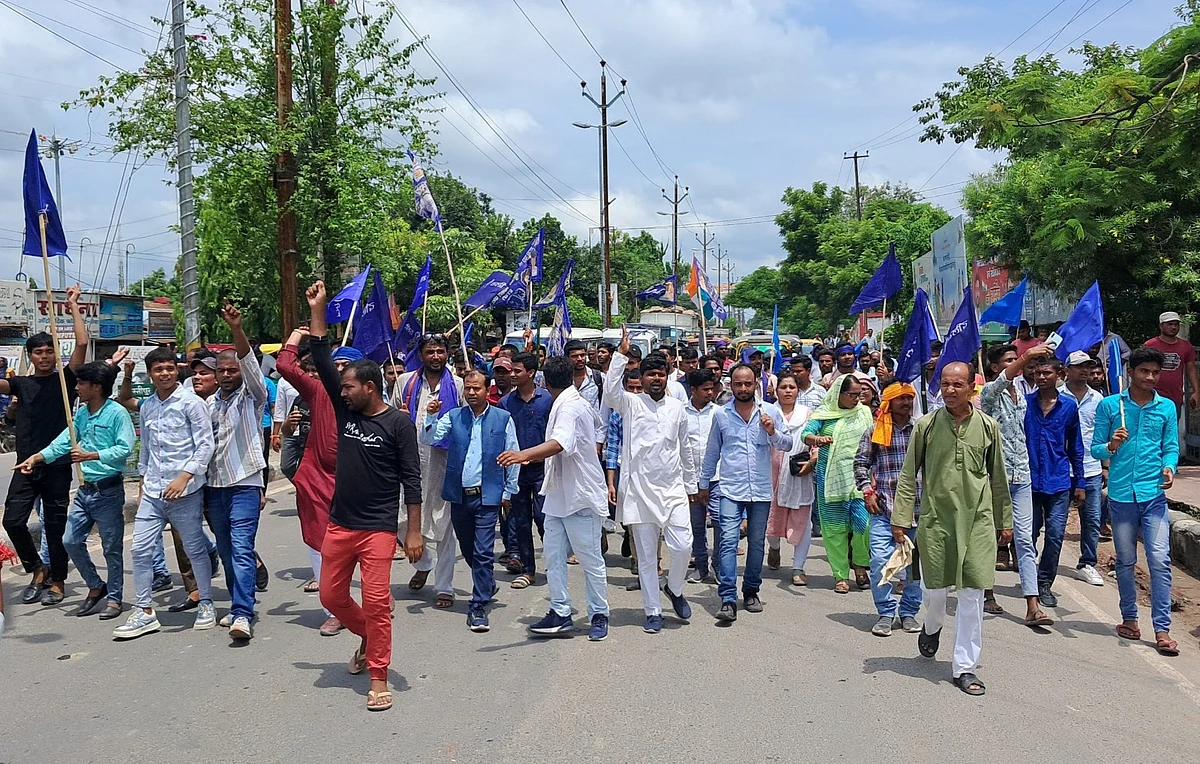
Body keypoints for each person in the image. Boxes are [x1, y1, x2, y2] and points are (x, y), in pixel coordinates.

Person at [305, 281, 424, 711]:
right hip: (340, 524)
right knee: (331, 597)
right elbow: (320, 357)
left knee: (376, 602)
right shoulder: (344, 411)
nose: (343, 392)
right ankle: (369, 636)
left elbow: (413, 480)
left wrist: (412, 533)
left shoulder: (398, 425)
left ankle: (378, 675)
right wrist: (318, 310)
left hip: (377, 529)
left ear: (370, 388)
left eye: (350, 387)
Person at [893, 362, 1014, 696]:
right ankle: (932, 628)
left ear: (971, 388)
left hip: (977, 522)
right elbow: (908, 474)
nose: (949, 391)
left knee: (972, 596)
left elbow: (999, 478)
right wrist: (901, 518)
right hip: (936, 523)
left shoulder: (988, 427)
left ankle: (964, 667)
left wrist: (1006, 521)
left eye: (956, 385)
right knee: (934, 594)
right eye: (944, 384)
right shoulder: (927, 426)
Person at [499, 356, 610, 642]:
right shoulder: (569, 403)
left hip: (580, 496)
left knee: (589, 559)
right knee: (553, 556)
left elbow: (560, 443)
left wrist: (522, 455)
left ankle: (599, 614)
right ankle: (560, 612)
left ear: (543, 382)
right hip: (559, 495)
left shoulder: (570, 407)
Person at [15, 362, 134, 619]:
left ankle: (114, 598)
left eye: (81, 383)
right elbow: (63, 442)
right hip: (83, 491)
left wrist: (92, 454)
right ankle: (95, 585)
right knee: (69, 541)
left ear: (97, 387)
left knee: (111, 547)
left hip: (108, 491)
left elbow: (125, 449)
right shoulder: (81, 413)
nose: (77, 387)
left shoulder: (116, 413)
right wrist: (37, 458)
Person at [114, 346, 218, 638]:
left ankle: (206, 603)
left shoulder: (191, 403)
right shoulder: (148, 406)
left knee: (193, 548)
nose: (165, 374)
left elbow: (205, 445)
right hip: (153, 492)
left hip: (186, 491)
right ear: (150, 374)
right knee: (139, 548)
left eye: (170, 368)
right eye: (159, 370)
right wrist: (142, 482)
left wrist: (185, 477)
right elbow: (145, 449)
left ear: (177, 370)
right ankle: (145, 611)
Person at [1, 286, 88, 606]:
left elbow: (81, 343)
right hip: (25, 464)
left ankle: (58, 581)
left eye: (49, 351)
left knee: (55, 525)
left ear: (55, 353)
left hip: (57, 463)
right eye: (38, 352)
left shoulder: (66, 381)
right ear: (30, 356)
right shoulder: (20, 384)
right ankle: (37, 568)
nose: (44, 356)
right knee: (12, 520)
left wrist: (74, 306)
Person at [1092, 347, 1181, 656]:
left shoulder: (1166, 407)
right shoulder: (1109, 406)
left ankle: (1162, 629)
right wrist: (1111, 444)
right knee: (1126, 561)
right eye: (1145, 371)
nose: (1150, 377)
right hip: (1120, 496)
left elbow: (1170, 446)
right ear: (1131, 372)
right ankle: (1129, 618)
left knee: (1159, 560)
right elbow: (1095, 450)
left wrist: (1170, 467)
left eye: (1155, 373)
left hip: (1154, 495)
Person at [605, 329, 694, 633]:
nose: (656, 378)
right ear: (641, 378)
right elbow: (610, 393)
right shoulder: (630, 404)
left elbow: (686, 449)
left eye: (661, 374)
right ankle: (653, 610)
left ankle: (676, 589)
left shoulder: (677, 408)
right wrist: (621, 354)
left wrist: (692, 485)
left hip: (673, 489)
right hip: (640, 492)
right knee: (645, 557)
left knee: (683, 546)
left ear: (668, 377)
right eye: (651, 374)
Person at [420, 370, 519, 632]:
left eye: (477, 388)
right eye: (468, 389)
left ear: (488, 390)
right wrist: (430, 415)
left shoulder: (503, 418)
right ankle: (485, 581)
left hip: (488, 496)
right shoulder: (454, 416)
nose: (472, 393)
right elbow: (429, 438)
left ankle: (478, 605)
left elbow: (513, 454)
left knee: (483, 551)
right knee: (467, 547)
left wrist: (509, 491)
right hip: (459, 496)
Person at [699, 364, 793, 622]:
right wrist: (703, 483)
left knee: (756, 544)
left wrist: (772, 431)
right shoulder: (721, 415)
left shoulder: (770, 411)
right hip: (730, 488)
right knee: (728, 542)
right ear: (731, 385)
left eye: (748, 384)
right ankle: (728, 598)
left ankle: (751, 591)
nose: (743, 388)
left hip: (761, 491)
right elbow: (712, 452)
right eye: (738, 384)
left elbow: (788, 443)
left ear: (755, 385)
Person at [206, 302, 270, 640]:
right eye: (223, 371)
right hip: (214, 488)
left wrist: (236, 329)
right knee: (227, 549)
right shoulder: (206, 404)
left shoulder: (252, 397)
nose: (228, 375)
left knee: (242, 547)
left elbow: (248, 365)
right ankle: (236, 604)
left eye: (233, 370)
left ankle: (243, 613)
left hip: (245, 483)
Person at [978, 342, 1055, 625]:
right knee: (989, 538)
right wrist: (1025, 356)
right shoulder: (989, 392)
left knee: (1024, 540)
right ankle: (987, 593)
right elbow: (1003, 380)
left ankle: (1032, 605)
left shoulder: (1023, 393)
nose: (1021, 364)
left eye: (1017, 358)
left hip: (1021, 476)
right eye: (1009, 360)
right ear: (996, 367)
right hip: (992, 477)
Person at [277, 328, 344, 636]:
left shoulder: (371, 403)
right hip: (316, 479)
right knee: (319, 545)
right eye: (334, 366)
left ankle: (375, 597)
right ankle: (332, 609)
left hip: (357, 484)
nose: (338, 373)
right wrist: (294, 337)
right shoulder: (317, 392)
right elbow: (286, 367)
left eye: (345, 367)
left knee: (363, 546)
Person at [398, 333, 464, 607]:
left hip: (445, 462)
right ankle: (423, 563)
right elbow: (391, 414)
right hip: (411, 461)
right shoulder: (405, 382)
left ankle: (444, 586)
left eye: (440, 351)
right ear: (421, 355)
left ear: (447, 354)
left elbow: (464, 418)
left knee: (445, 526)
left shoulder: (458, 384)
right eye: (430, 352)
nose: (435, 356)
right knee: (402, 521)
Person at [854, 381, 921, 636]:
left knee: (914, 568)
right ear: (888, 402)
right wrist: (867, 492)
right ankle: (885, 612)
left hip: (918, 510)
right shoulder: (876, 430)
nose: (906, 403)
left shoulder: (921, 430)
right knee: (881, 562)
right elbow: (861, 464)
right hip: (884, 508)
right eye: (900, 398)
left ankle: (909, 613)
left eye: (909, 398)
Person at [802, 375, 874, 593]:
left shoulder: (864, 412)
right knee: (834, 530)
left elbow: (872, 442)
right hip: (830, 479)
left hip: (859, 479)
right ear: (838, 394)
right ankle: (840, 575)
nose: (856, 399)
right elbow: (806, 434)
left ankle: (860, 567)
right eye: (852, 395)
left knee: (864, 526)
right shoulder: (824, 413)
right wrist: (818, 440)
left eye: (859, 394)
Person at [498, 352, 552, 589]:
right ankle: (528, 570)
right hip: (515, 472)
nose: (512, 375)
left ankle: (553, 563)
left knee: (543, 519)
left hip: (542, 470)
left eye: (517, 371)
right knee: (519, 522)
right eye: (511, 370)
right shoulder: (505, 403)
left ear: (531, 373)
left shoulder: (548, 400)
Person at [766, 371, 816, 587]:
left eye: (792, 387)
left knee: (803, 521)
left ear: (798, 390)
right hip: (770, 473)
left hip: (799, 474)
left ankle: (798, 567)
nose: (787, 391)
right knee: (771, 519)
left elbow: (815, 443)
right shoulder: (767, 412)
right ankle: (774, 548)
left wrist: (812, 462)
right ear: (776, 391)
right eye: (783, 387)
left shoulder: (808, 414)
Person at [1062, 351, 1106, 587]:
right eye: (1079, 366)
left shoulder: (1098, 399)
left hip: (1090, 468)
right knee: (1052, 521)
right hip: (1060, 469)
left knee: (1091, 520)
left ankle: (1087, 564)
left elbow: (1102, 434)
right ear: (1067, 370)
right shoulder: (1055, 396)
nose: (1085, 371)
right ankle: (1045, 565)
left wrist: (1105, 465)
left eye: (1088, 366)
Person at [1144, 311, 1199, 455]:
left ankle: (1169, 461)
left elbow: (1191, 368)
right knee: (1151, 428)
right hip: (1152, 395)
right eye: (1170, 324)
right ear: (1161, 326)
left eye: (1176, 324)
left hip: (1174, 396)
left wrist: (1196, 391)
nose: (1173, 327)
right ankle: (1151, 459)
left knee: (1170, 430)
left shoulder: (1185, 346)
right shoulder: (1151, 345)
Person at [683, 368, 720, 584]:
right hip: (690, 479)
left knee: (720, 523)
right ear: (693, 390)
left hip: (717, 478)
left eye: (712, 389)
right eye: (705, 389)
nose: (710, 393)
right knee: (696, 525)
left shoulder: (720, 412)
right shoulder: (680, 413)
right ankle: (701, 566)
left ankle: (718, 566)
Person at [565, 339, 603, 410]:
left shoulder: (598, 377)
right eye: (575, 356)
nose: (579, 359)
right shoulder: (563, 379)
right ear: (567, 358)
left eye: (582, 355)